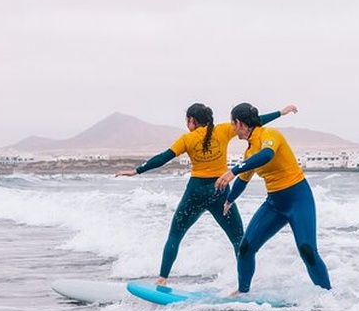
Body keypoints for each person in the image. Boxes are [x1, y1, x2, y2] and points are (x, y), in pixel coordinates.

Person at [115, 103, 297, 286]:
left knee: (175, 235)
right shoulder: (224, 130)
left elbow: (163, 158)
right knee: (237, 239)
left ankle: (162, 280)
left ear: (192, 121)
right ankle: (245, 285)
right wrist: (280, 113)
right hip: (220, 191)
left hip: (196, 192)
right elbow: (254, 122)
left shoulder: (187, 139)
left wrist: (137, 171)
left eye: (187, 120)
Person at [214, 102, 331, 294]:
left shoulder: (270, 135)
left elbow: (267, 155)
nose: (233, 129)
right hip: (275, 204)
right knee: (245, 249)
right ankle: (242, 292)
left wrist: (233, 171)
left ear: (239, 123)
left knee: (307, 251)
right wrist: (229, 200)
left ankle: (328, 297)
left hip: (298, 199)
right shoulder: (249, 152)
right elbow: (243, 180)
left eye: (233, 124)